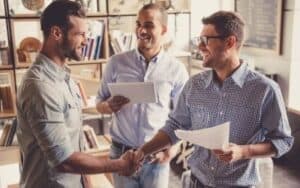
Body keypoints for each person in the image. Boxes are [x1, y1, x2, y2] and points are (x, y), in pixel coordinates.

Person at [134, 10, 294, 188]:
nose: (199, 47)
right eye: (198, 40)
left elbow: (283, 141)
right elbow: (174, 127)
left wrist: (243, 152)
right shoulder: (194, 85)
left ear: (230, 42)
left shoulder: (265, 90)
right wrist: (141, 152)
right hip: (196, 183)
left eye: (205, 40)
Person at [16, 1, 135, 188]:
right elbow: (64, 160)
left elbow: (74, 140)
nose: (86, 41)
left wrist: (85, 180)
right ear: (57, 33)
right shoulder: (40, 86)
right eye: (80, 34)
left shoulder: (65, 77)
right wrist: (118, 164)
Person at [96, 3, 189, 188]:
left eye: (149, 25)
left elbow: (185, 116)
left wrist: (174, 149)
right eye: (138, 24)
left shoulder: (176, 69)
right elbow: (99, 102)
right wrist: (108, 106)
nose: (141, 30)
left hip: (156, 157)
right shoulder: (116, 62)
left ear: (163, 29)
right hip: (121, 154)